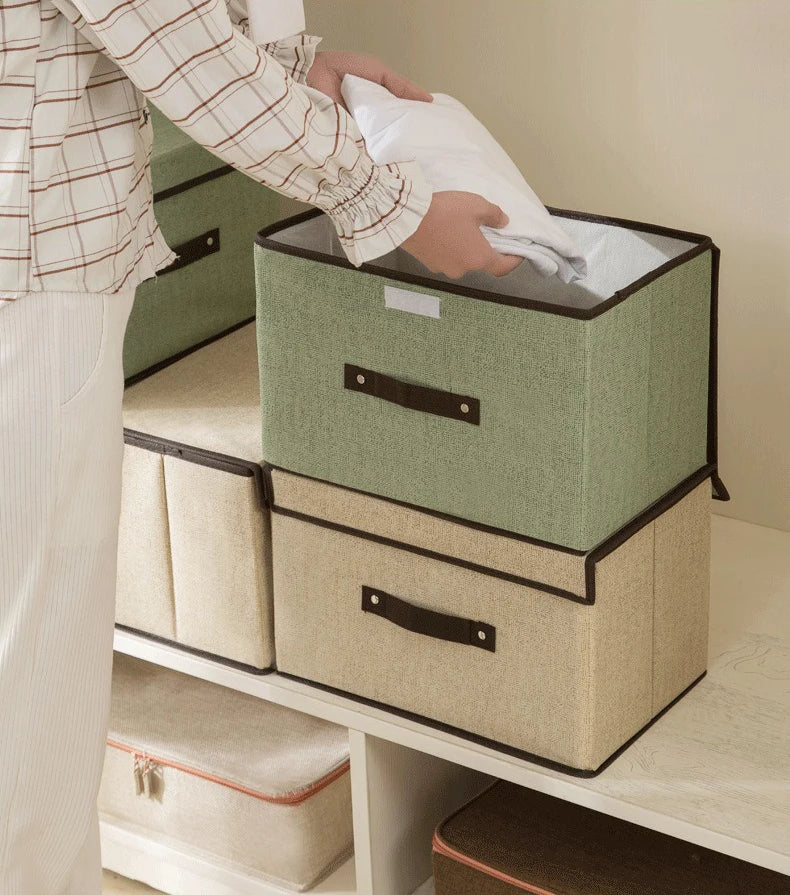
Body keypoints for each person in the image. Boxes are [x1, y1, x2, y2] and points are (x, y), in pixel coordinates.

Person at [0, 2, 520, 892]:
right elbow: (183, 47)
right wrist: (393, 203)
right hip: (33, 271)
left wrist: (290, 65)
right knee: (33, 673)